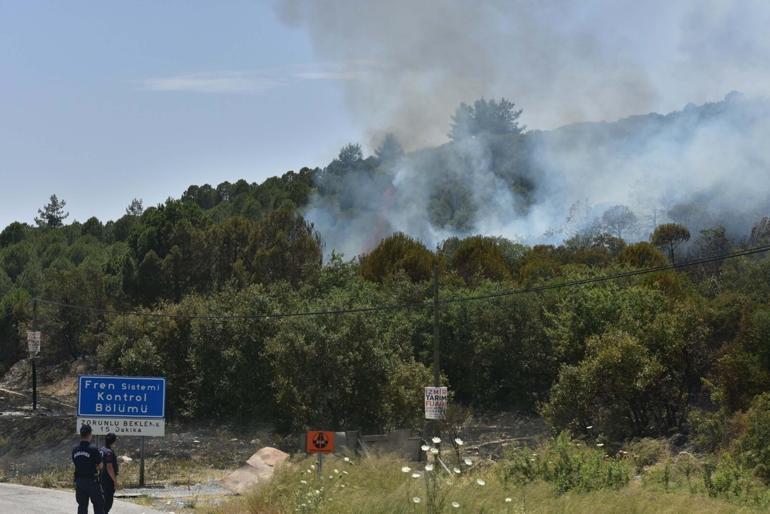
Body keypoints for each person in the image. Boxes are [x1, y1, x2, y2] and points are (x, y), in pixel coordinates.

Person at [72, 424, 104, 514]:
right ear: (90, 434)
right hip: (92, 482)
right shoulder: (93, 449)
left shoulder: (75, 449)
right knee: (98, 505)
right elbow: (101, 466)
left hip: (79, 482)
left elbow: (76, 463)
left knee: (82, 506)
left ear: (81, 434)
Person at [99, 433, 119, 513]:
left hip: (102, 477)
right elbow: (109, 467)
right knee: (108, 501)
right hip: (108, 479)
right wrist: (115, 481)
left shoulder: (101, 450)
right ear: (113, 442)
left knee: (103, 499)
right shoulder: (109, 452)